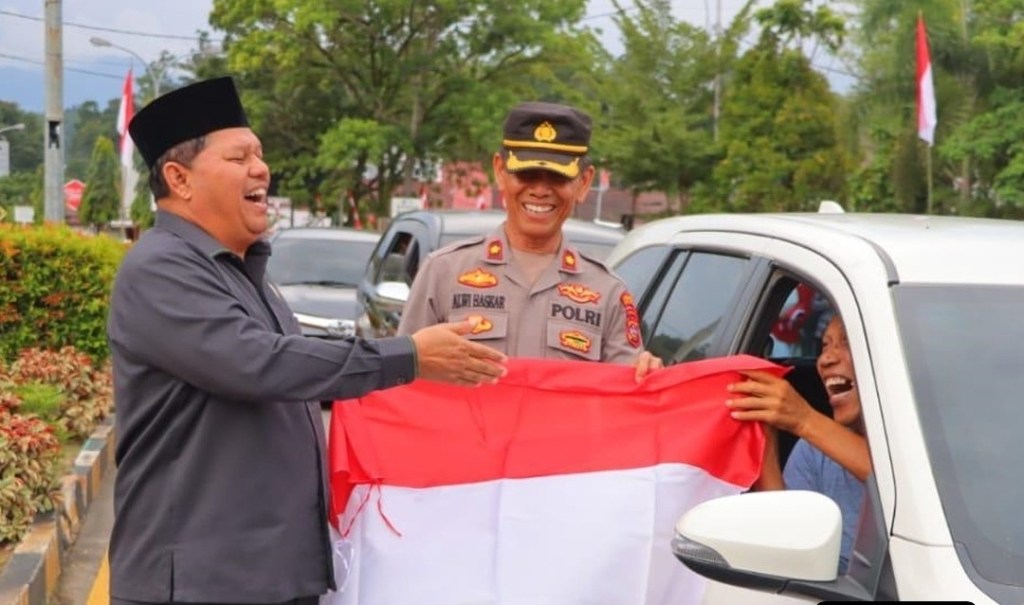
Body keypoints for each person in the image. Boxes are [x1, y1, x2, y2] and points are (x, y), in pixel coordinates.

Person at [107, 76, 507, 605]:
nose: (261, 169)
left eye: (259, 154)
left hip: (271, 578)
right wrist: (409, 356)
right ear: (179, 179)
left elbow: (297, 379)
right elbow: (261, 364)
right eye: (239, 157)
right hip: (200, 584)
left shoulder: (247, 275)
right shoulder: (161, 268)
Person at [398, 101, 661, 377]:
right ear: (500, 171)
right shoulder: (443, 273)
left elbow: (626, 392)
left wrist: (648, 375)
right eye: (526, 174)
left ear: (584, 182)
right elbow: (400, 379)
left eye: (557, 177)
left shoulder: (608, 293)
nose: (540, 190)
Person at [725, 313, 871, 573]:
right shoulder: (814, 450)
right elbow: (785, 540)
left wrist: (804, 419)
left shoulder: (930, 440)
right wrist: (765, 438)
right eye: (825, 345)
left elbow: (904, 485)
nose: (826, 359)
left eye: (847, 342)